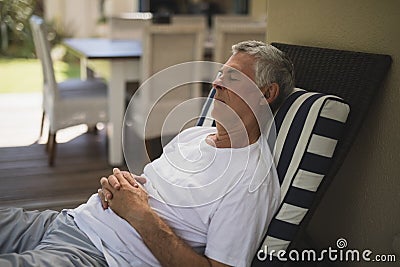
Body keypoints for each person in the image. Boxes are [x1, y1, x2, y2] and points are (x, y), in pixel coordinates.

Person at [0, 40, 295, 267]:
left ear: (266, 94)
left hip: (97, 253)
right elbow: (156, 190)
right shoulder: (195, 135)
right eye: (220, 73)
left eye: (232, 78)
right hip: (69, 219)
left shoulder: (250, 183)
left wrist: (139, 214)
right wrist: (124, 187)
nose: (216, 83)